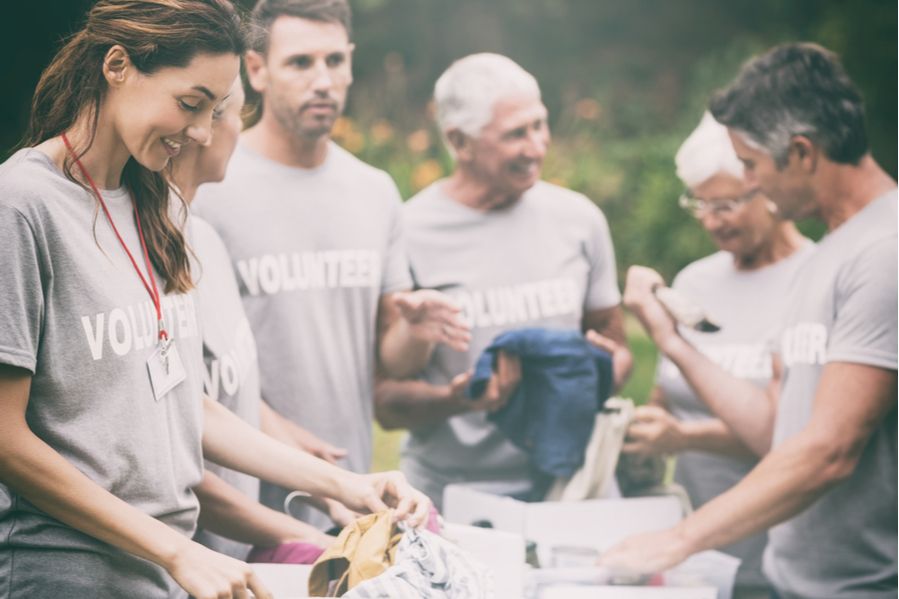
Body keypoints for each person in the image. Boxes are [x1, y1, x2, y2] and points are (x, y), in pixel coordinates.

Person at [0, 2, 431, 597]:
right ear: (118, 66)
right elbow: (5, 437)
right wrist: (177, 550)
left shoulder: (160, 208)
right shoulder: (21, 207)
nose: (202, 132)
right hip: (64, 574)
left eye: (214, 109)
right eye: (190, 103)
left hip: (160, 575)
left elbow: (186, 403)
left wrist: (347, 485)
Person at [601, 43, 897, 599]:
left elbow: (829, 452)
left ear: (803, 153)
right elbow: (777, 434)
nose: (749, 183)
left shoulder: (886, 252)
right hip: (792, 581)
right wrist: (670, 339)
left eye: (752, 165)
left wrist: (678, 539)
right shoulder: (829, 251)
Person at [192, 0, 468, 529]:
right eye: (300, 63)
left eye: (334, 62)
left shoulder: (375, 191)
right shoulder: (211, 183)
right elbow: (193, 373)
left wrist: (414, 331)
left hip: (351, 499)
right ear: (256, 69)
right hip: (234, 505)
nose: (323, 80)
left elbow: (394, 364)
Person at [374, 53, 633, 508]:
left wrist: (602, 370)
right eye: (516, 134)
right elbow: (386, 401)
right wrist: (458, 400)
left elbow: (617, 349)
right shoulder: (408, 230)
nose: (537, 146)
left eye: (540, 125)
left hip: (569, 486)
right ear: (459, 141)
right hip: (451, 495)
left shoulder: (578, 220)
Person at [620, 112, 813, 597]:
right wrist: (642, 430)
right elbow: (669, 395)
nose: (711, 219)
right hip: (693, 554)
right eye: (700, 204)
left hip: (778, 552)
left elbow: (791, 435)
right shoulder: (694, 282)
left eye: (725, 204)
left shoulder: (812, 279)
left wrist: (685, 437)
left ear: (765, 185)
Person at [171, 78, 336, 561]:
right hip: (196, 564)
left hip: (239, 561)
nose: (241, 134)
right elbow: (182, 468)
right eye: (240, 116)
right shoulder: (147, 260)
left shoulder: (206, 240)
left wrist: (331, 486)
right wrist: (315, 539)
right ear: (203, 125)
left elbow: (226, 392)